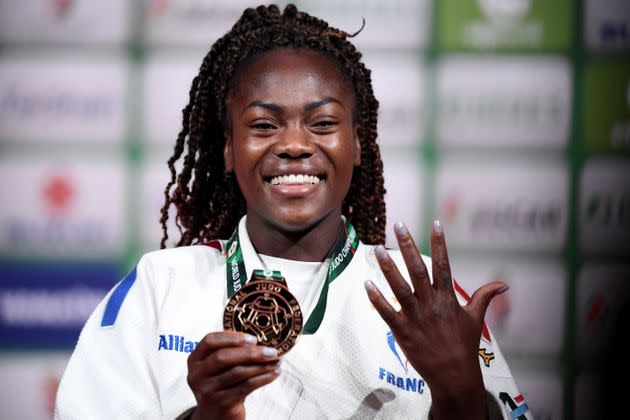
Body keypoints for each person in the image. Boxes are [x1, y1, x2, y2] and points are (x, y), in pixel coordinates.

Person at [54, 4, 531, 420]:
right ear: (228, 149)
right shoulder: (160, 287)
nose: (295, 145)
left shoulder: (424, 295)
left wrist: (461, 392)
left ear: (358, 144)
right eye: (263, 124)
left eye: (323, 123)